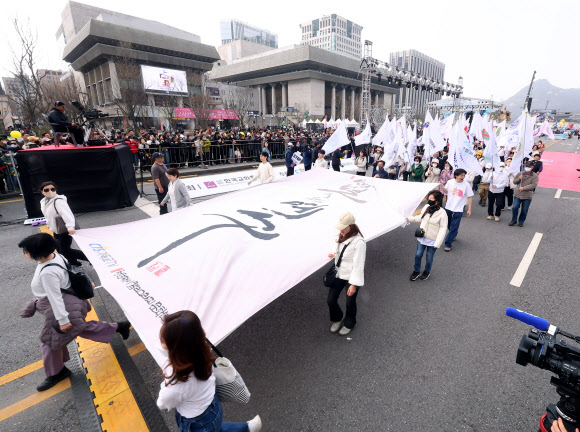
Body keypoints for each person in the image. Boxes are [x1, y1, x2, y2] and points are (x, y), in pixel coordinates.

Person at [18, 233, 131, 392]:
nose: (25, 253)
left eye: (26, 250)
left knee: (50, 341)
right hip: (67, 302)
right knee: (78, 328)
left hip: (61, 307)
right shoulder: (55, 255)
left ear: (38, 254)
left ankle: (57, 372)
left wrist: (63, 321)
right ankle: (119, 327)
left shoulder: (47, 273)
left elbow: (55, 297)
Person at [157, 310, 262, 432]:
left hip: (197, 422)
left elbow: (162, 403)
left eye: (163, 341)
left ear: (177, 349)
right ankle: (246, 428)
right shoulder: (201, 352)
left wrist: (166, 379)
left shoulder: (176, 383)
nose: (161, 344)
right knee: (215, 428)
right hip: (213, 406)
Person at [326, 212, 366, 336]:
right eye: (340, 227)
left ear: (351, 226)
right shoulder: (342, 235)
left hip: (351, 277)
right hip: (339, 273)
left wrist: (354, 284)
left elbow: (359, 265)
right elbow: (337, 246)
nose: (341, 230)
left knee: (350, 302)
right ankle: (338, 318)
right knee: (331, 300)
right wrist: (333, 253)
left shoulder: (359, 242)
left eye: (343, 227)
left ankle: (350, 323)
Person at [39, 181, 88, 266]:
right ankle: (73, 262)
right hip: (55, 228)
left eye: (52, 189)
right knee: (59, 249)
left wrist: (70, 226)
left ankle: (89, 258)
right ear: (42, 192)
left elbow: (67, 214)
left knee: (65, 250)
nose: (50, 191)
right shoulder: (43, 201)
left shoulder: (58, 201)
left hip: (64, 229)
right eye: (46, 190)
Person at [406, 190, 448, 281]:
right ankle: (416, 271)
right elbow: (420, 218)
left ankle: (426, 272)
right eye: (428, 198)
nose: (429, 201)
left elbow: (443, 229)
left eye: (431, 199)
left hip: (433, 240)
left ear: (437, 201)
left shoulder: (442, 213)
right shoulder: (426, 207)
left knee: (429, 257)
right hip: (422, 237)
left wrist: (438, 243)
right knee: (418, 255)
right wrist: (408, 218)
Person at [441, 168, 473, 252]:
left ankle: (448, 244)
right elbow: (446, 191)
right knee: (449, 225)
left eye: (464, 175)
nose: (463, 177)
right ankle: (453, 234)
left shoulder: (466, 185)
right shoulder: (450, 182)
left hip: (459, 209)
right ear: (456, 175)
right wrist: (441, 186)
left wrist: (469, 209)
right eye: (461, 175)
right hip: (448, 207)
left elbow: (470, 196)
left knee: (454, 226)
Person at [509, 161, 539, 227]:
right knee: (515, 207)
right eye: (526, 166)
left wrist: (524, 188)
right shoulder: (520, 173)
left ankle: (521, 221)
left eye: (529, 167)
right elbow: (514, 182)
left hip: (527, 195)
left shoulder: (535, 176)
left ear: (532, 167)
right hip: (518, 194)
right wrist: (519, 179)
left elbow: (534, 185)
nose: (527, 168)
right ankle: (513, 220)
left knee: (524, 210)